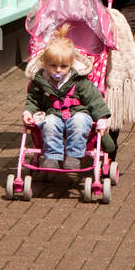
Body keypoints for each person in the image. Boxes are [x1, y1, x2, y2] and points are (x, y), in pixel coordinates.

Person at [23, 31, 111, 170]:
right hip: (53, 113)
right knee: (49, 123)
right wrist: (28, 112)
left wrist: (101, 118)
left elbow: (94, 99)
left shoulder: (79, 81)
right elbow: (33, 100)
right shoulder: (40, 81)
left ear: (71, 65)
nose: (58, 70)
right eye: (53, 66)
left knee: (80, 121)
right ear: (45, 63)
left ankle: (74, 156)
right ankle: (52, 157)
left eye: (64, 67)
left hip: (77, 112)